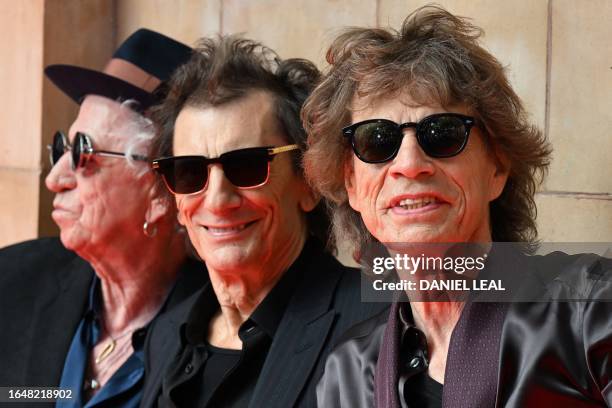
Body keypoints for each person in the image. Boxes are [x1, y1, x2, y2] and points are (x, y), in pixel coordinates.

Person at [302, 6, 612, 407]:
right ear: (352, 186)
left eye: (443, 134)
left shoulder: (589, 311)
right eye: (377, 141)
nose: (410, 166)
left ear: (497, 167)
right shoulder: (347, 374)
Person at [139, 35, 387, 408]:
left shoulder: (378, 323)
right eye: (189, 172)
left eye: (247, 165)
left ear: (308, 182)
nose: (218, 199)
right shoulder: (166, 334)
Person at [0, 29, 207, 407]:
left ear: (161, 191)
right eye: (63, 146)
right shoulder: (12, 281)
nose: (54, 179)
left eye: (84, 153)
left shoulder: (219, 329)